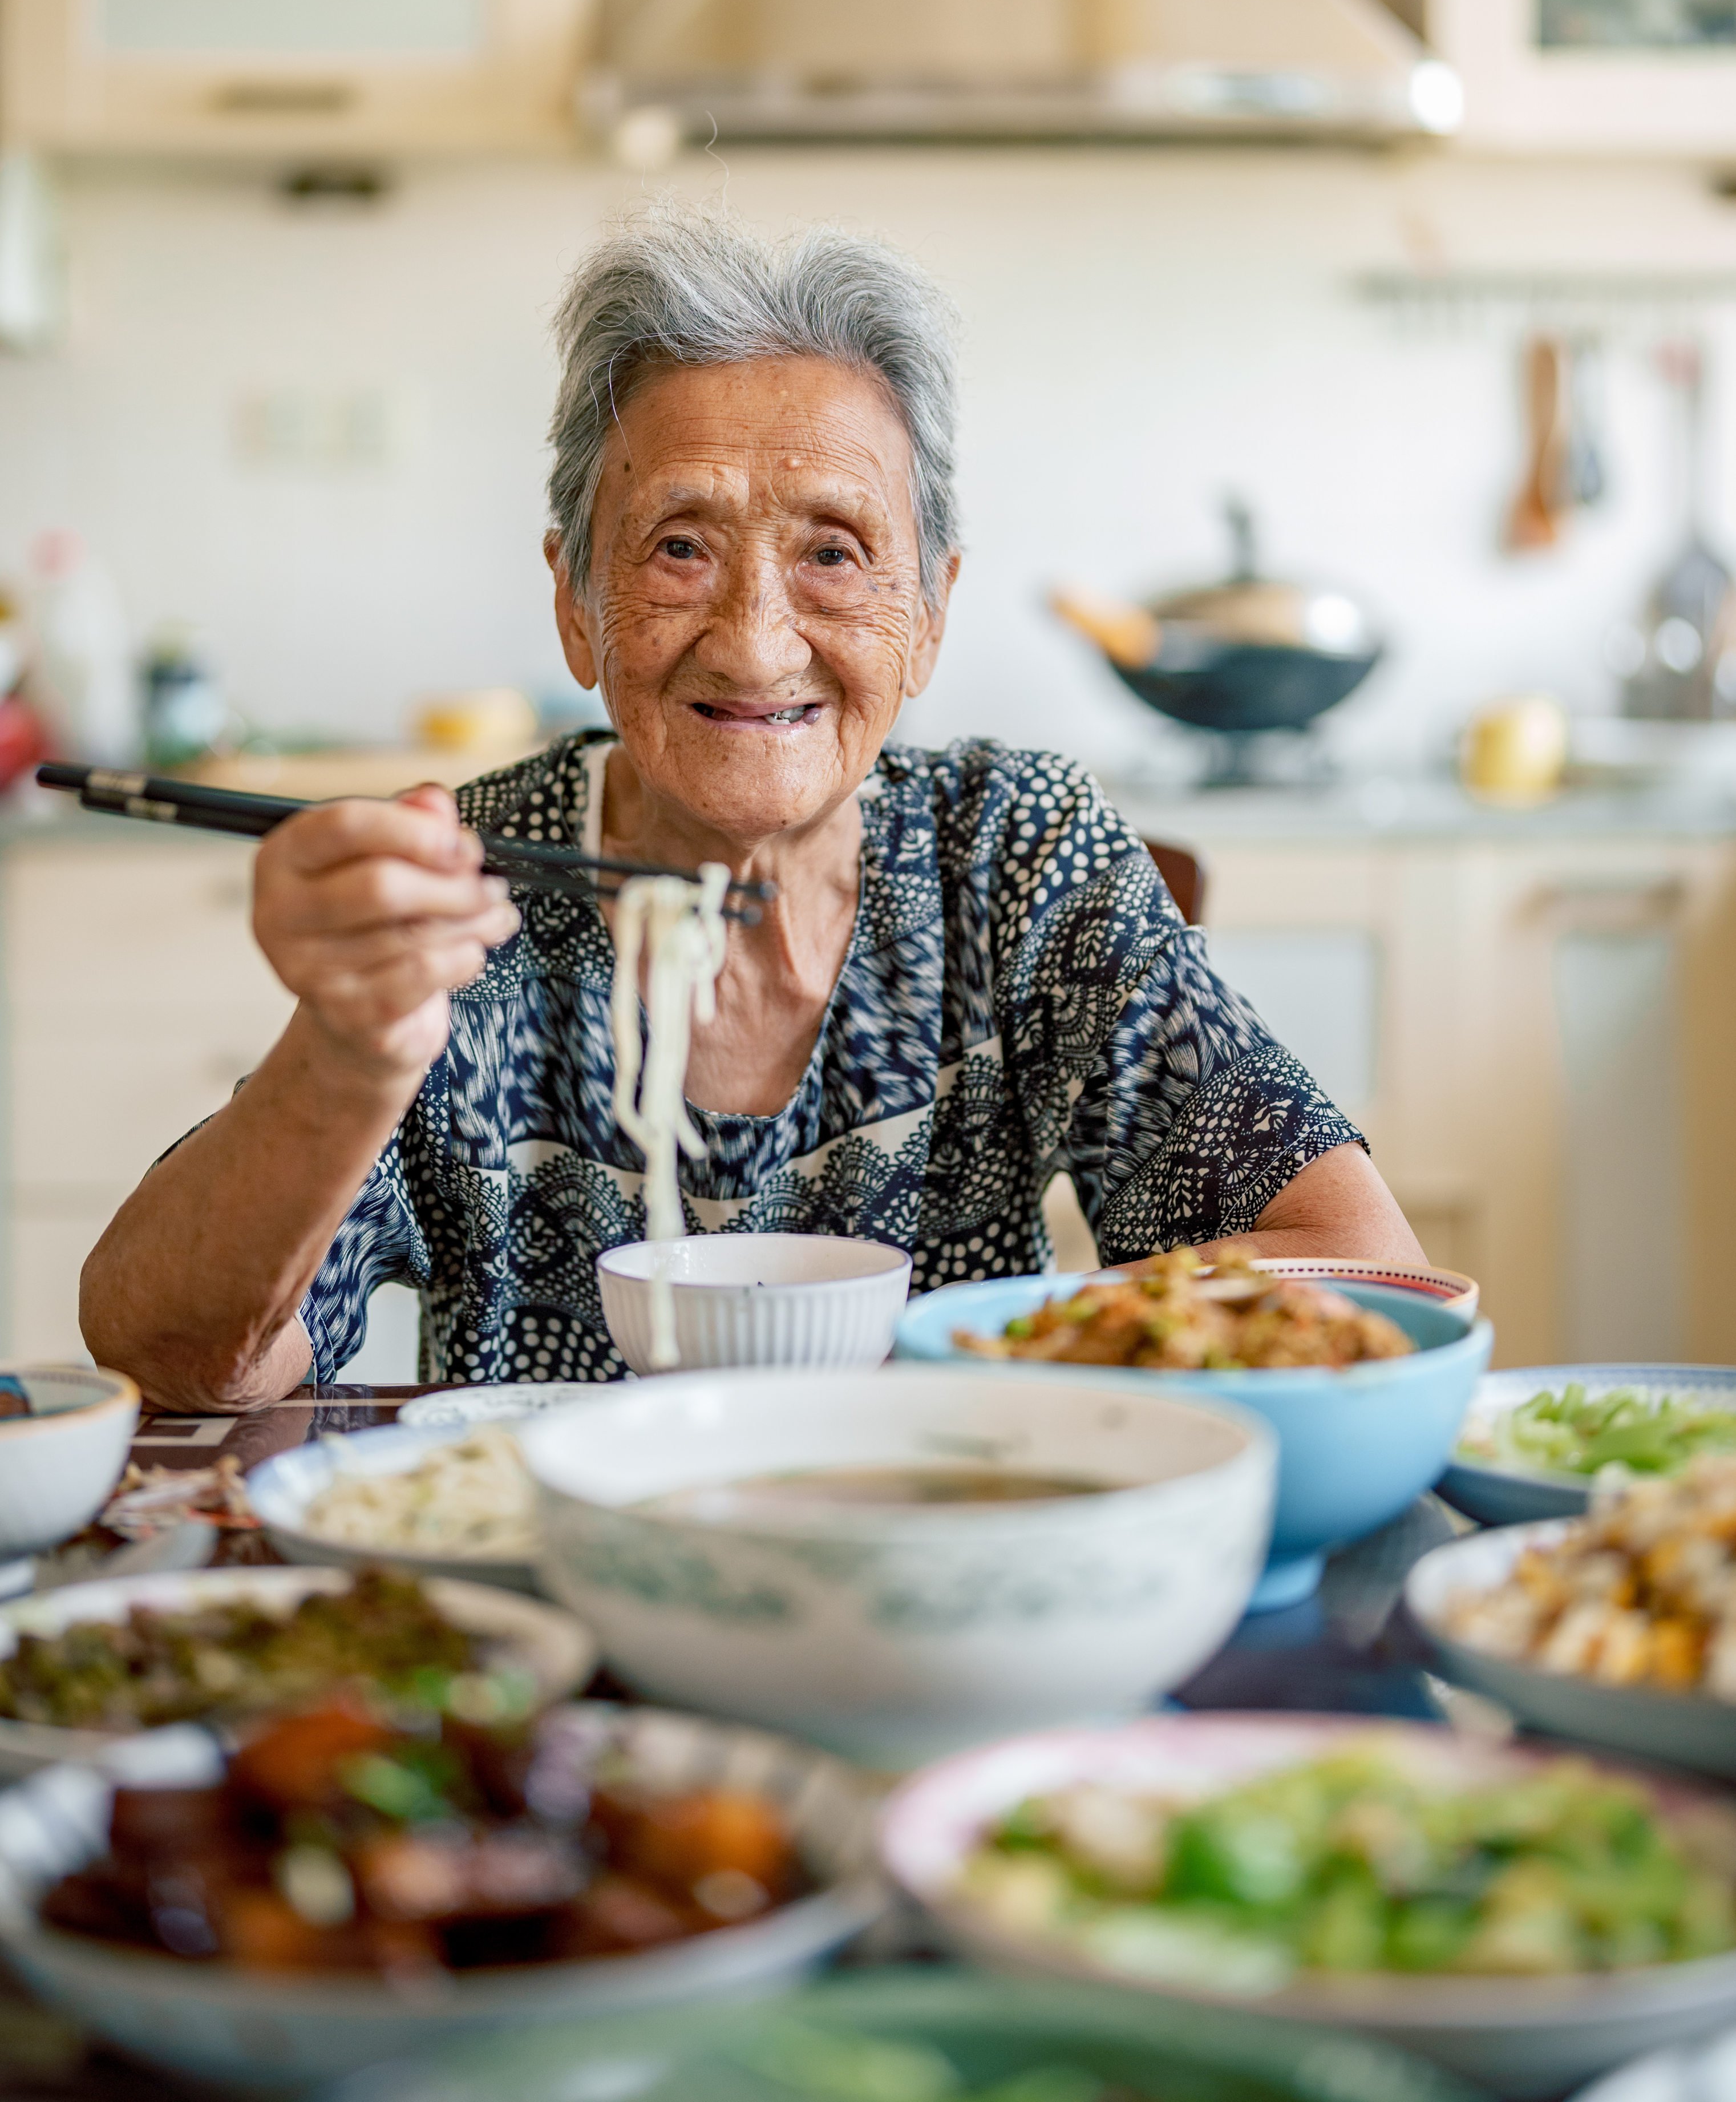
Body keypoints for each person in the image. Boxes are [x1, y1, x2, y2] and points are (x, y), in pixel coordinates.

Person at [83, 204, 1423, 1410]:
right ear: (575, 599)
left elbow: (1364, 1265)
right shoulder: (475, 886)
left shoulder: (1010, 853)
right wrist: (347, 1050)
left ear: (931, 611)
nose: (756, 641)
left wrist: (989, 1365)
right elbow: (176, 1355)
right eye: (679, 547)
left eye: (832, 554)